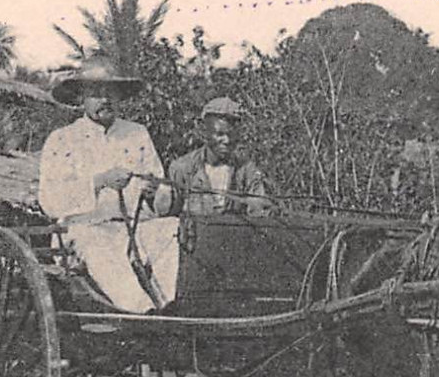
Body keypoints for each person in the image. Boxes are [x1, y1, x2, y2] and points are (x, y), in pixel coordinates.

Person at [38, 56, 179, 311]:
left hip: (135, 230)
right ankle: (141, 312)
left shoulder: (137, 133)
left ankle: (170, 306)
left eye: (110, 92)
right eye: (96, 93)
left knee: (173, 228)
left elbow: (162, 192)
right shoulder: (62, 139)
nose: (105, 99)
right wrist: (99, 182)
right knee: (98, 245)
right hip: (86, 230)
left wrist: (154, 191)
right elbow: (50, 200)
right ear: (82, 97)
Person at [165, 97, 273, 217]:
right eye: (220, 134)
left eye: (231, 134)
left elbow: (260, 214)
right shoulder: (183, 169)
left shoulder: (246, 171)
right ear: (204, 132)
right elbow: (169, 217)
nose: (226, 140)